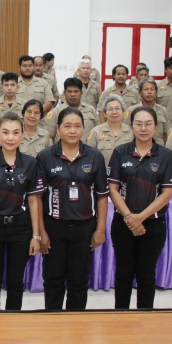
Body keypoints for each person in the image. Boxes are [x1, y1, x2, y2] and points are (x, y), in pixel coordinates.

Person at [37, 107, 109, 310]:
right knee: (53, 279)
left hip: (84, 227)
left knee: (79, 280)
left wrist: (100, 230)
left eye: (77, 126)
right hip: (54, 226)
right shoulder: (45, 156)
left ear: (83, 129)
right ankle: (53, 320)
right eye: (67, 126)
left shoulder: (94, 156)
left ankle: (76, 322)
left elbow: (102, 196)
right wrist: (41, 232)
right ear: (58, 128)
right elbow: (38, 198)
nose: (72, 131)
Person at [108, 106, 172, 309]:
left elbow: (167, 193)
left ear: (156, 127)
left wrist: (140, 218)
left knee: (147, 274)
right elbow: (112, 188)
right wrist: (130, 217)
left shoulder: (165, 155)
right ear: (131, 127)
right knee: (123, 273)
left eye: (148, 124)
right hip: (123, 224)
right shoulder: (120, 152)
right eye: (138, 124)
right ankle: (121, 316)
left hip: (153, 225)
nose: (143, 128)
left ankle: (145, 317)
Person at [0, 112, 44, 310]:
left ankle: (13, 320)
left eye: (15, 132)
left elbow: (33, 200)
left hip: (21, 227)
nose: (10, 138)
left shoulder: (30, 163)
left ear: (22, 134)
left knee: (16, 281)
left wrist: (36, 236)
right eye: (5, 132)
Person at [45, 78, 98, 144]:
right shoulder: (55, 112)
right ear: (64, 93)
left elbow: (97, 134)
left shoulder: (91, 110)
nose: (73, 94)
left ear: (81, 93)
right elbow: (49, 137)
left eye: (76, 91)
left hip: (87, 149)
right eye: (69, 91)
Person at [0, 72, 27, 153]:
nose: (9, 88)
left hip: (20, 146)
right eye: (6, 85)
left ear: (17, 87)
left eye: (12, 85)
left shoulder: (25, 105)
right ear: (1, 87)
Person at [86, 95, 134, 165]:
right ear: (104, 114)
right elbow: (89, 154)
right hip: (102, 170)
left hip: (125, 170)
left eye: (117, 108)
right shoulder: (96, 132)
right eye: (110, 109)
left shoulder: (131, 131)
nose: (114, 112)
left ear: (123, 112)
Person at [124, 78, 169, 146]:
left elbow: (165, 134)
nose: (149, 92)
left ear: (156, 92)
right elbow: (126, 133)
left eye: (152, 89)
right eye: (146, 89)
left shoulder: (163, 110)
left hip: (158, 148)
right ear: (140, 92)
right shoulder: (131, 110)